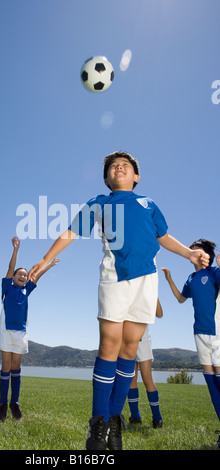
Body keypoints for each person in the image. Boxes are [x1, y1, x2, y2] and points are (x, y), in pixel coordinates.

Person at [29, 150, 210, 450]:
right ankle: (97, 421)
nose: (120, 168)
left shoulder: (148, 203)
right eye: (113, 167)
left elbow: (163, 237)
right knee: (110, 346)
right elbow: (71, 231)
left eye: (126, 166)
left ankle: (115, 420)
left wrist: (189, 253)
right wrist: (46, 257)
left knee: (129, 351)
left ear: (136, 177)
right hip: (113, 277)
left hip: (146, 280)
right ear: (106, 178)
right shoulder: (100, 203)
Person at [161, 238, 220, 447]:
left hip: (217, 334)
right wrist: (169, 279)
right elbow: (180, 298)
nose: (191, 251)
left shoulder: (214, 273)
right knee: (211, 383)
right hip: (199, 334)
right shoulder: (192, 277)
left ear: (206, 255)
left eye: (195, 249)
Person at [0, 236, 59, 420]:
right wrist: (15, 249)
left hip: (21, 333)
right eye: (20, 274)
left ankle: (14, 403)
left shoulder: (27, 290)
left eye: (25, 275)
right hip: (6, 331)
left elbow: (36, 275)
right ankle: (2, 404)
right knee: (6, 367)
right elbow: (10, 268)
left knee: (16, 368)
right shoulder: (7, 287)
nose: (23, 276)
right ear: (14, 277)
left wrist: (48, 266)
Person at [127, 299, 163, 428]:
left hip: (143, 339)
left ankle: (157, 418)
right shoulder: (127, 287)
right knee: (131, 380)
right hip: (128, 338)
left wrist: (154, 295)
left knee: (148, 379)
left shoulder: (147, 287)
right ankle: (135, 416)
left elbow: (159, 313)